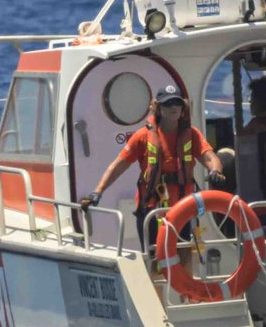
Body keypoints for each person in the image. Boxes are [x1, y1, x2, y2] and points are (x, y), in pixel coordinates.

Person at [81, 83, 225, 251]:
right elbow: (118, 165)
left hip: (183, 206)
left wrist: (216, 171)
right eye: (167, 103)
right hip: (151, 208)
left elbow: (210, 157)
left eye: (177, 103)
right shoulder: (142, 136)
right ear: (158, 107)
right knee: (154, 256)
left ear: (183, 107)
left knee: (185, 252)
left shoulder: (192, 134)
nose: (173, 107)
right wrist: (98, 191)